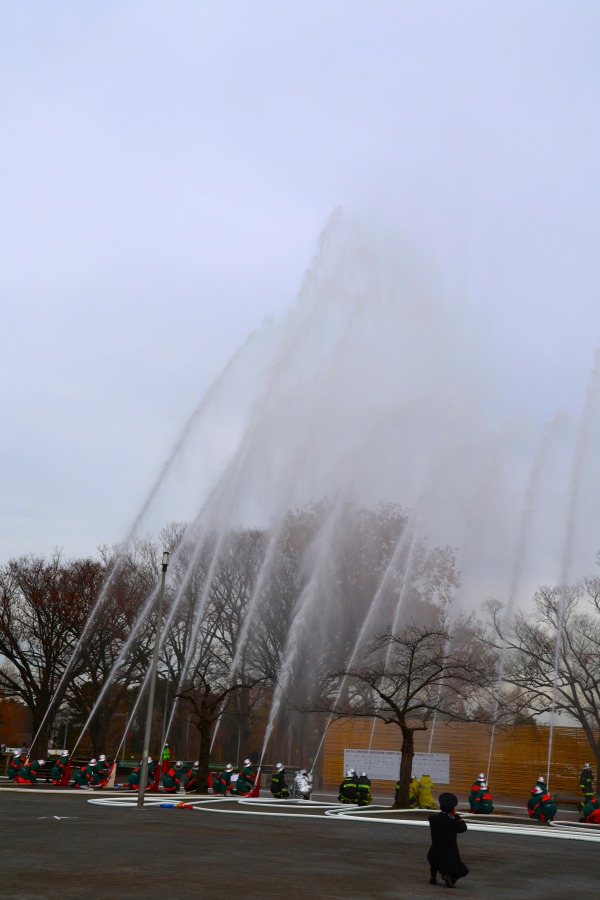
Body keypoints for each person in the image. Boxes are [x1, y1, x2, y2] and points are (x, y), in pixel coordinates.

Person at [427, 791, 469, 888]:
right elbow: (463, 828)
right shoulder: (454, 822)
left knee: (435, 859)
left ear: (440, 806)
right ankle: (448, 876)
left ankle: (433, 875)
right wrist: (456, 816)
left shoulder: (432, 819)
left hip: (434, 852)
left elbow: (435, 817)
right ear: (452, 809)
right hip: (449, 854)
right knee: (462, 870)